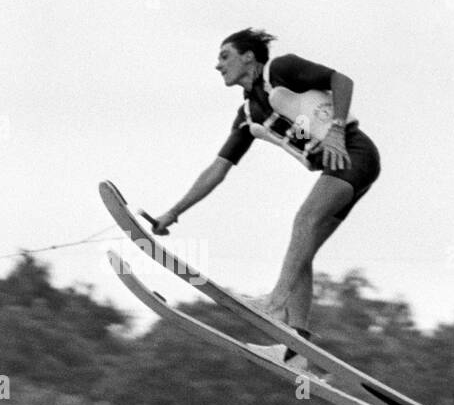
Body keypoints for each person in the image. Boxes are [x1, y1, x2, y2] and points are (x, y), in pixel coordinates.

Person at [151, 28, 381, 370]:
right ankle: (296, 350)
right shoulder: (248, 115)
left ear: (248, 57)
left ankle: (275, 303)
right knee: (302, 251)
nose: (218, 66)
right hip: (341, 170)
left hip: (354, 155)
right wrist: (173, 212)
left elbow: (341, 80)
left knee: (303, 222)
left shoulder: (282, 70)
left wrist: (334, 130)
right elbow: (217, 170)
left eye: (224, 56)